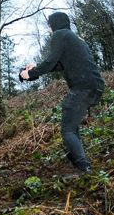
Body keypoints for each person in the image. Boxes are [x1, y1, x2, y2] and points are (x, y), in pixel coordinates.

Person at [20, 11, 105, 174]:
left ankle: (84, 168)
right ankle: (77, 162)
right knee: (72, 126)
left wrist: (30, 74)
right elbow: (58, 65)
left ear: (55, 24)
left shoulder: (60, 34)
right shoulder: (75, 39)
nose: (49, 30)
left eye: (49, 26)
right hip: (95, 85)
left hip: (82, 86)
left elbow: (51, 60)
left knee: (67, 130)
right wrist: (35, 68)